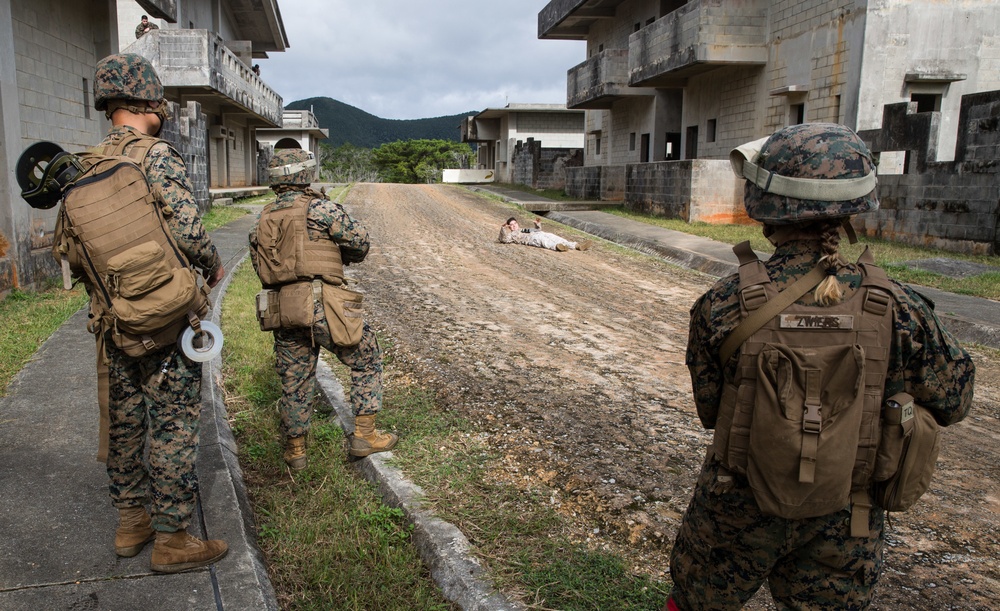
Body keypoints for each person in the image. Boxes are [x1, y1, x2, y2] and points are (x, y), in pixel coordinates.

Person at [665, 123, 975, 610]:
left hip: (737, 507)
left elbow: (711, 411)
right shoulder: (902, 308)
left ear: (766, 203)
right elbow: (955, 400)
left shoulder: (723, 303)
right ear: (855, 205)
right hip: (849, 517)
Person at [91, 54, 227, 572]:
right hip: (165, 320)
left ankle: (131, 525)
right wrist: (212, 267)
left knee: (124, 422)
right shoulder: (155, 156)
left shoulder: (86, 162)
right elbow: (189, 229)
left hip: (113, 318)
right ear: (149, 101)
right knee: (171, 422)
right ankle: (173, 539)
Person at [248, 148, 396, 471]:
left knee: (294, 379)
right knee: (367, 354)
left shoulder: (262, 219)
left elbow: (259, 266)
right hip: (320, 304)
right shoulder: (319, 209)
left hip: (282, 310)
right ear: (304, 175)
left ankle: (296, 452)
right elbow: (361, 243)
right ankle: (365, 436)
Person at [498, 216, 591, 251]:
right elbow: (503, 239)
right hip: (531, 239)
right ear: (509, 227)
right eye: (511, 225)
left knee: (555, 237)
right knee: (544, 241)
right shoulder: (512, 235)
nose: (514, 226)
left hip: (539, 233)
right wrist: (503, 228)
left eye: (515, 223)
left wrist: (537, 225)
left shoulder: (523, 229)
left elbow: (537, 231)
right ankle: (557, 247)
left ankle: (576, 246)